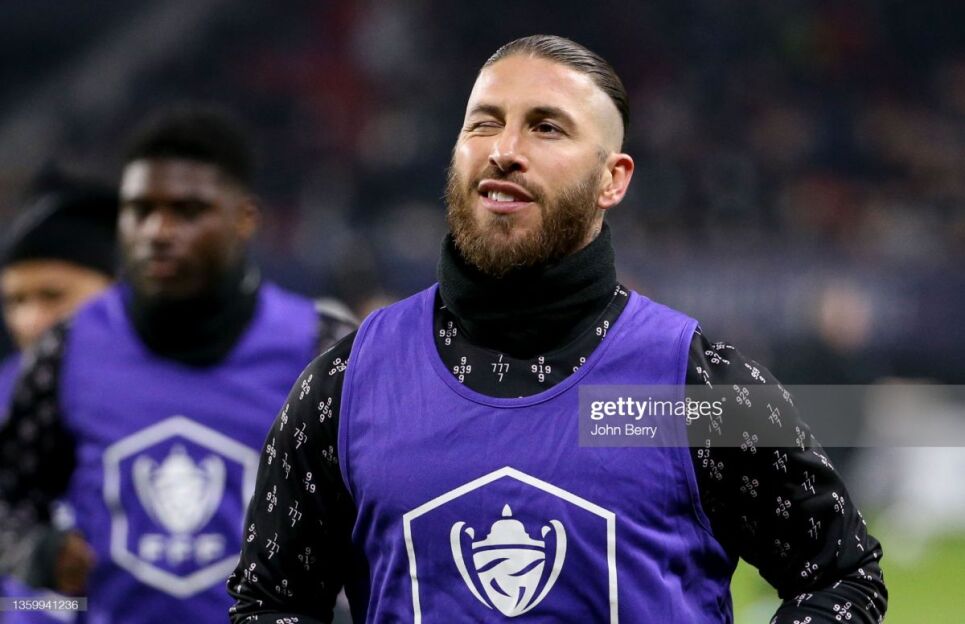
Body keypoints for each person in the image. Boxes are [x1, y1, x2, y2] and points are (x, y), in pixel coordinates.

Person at [228, 36, 886, 623]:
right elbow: (270, 601)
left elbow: (840, 577)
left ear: (611, 179)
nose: (505, 151)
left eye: (545, 128)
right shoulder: (346, 386)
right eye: (484, 123)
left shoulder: (695, 388)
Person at [0, 107, 354, 623]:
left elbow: (387, 496)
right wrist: (37, 551)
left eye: (187, 211)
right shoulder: (69, 348)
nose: (158, 231)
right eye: (140, 210)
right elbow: (9, 494)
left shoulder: (324, 347)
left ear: (245, 218)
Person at [0, 177, 118, 417]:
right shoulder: (7, 395)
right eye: (16, 300)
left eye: (53, 296)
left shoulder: (171, 381)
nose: (28, 322)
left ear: (116, 289)